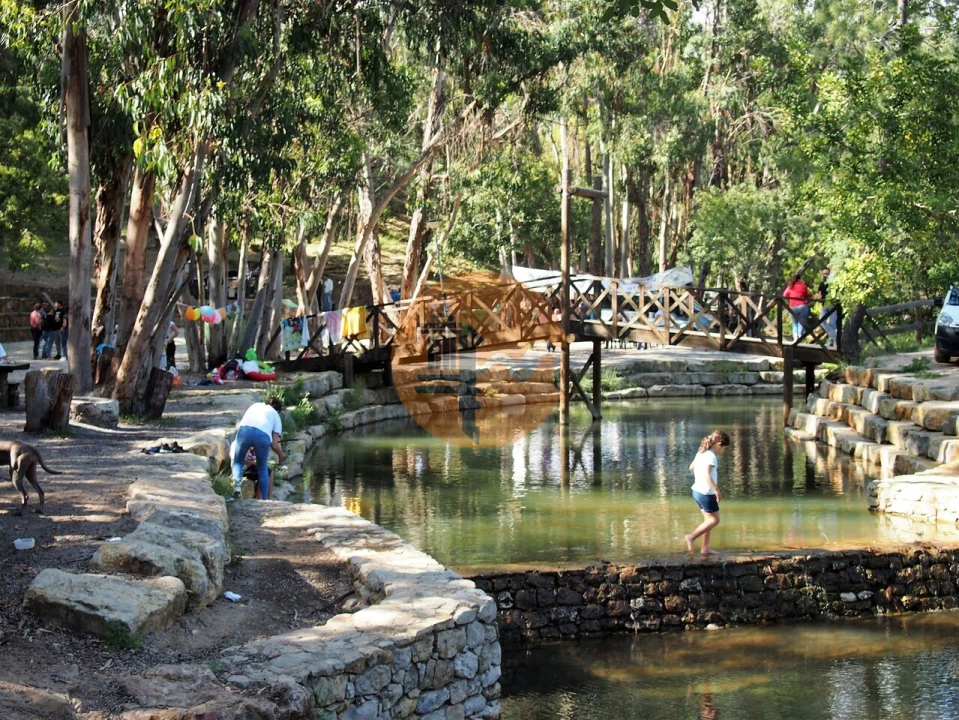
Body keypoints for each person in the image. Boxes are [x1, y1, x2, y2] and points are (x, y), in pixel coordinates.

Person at [684, 429, 730, 556]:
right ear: (719, 444)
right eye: (724, 448)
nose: (723, 451)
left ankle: (705, 548)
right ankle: (691, 537)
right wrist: (716, 490)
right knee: (715, 520)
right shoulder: (711, 456)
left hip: (697, 491)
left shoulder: (702, 452)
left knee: (707, 520)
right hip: (706, 493)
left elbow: (691, 468)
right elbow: (707, 475)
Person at [231, 398, 286, 501]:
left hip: (244, 432)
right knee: (262, 468)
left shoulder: (255, 405)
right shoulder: (276, 415)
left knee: (238, 461)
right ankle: (264, 500)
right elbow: (274, 445)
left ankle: (236, 491)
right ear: (278, 410)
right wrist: (280, 454)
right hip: (262, 436)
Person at [783, 274, 811, 342]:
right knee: (801, 322)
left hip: (793, 307)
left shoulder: (790, 286)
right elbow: (808, 295)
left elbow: (784, 295)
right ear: (799, 279)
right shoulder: (803, 286)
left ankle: (795, 338)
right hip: (802, 306)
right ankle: (800, 336)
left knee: (794, 323)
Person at [818, 267, 837, 345]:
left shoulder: (833, 283)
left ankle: (831, 342)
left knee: (832, 323)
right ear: (822, 274)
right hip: (825, 305)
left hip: (832, 305)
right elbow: (819, 296)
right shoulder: (822, 284)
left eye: (827, 273)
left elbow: (819, 296)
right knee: (822, 321)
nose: (825, 275)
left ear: (829, 274)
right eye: (824, 273)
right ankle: (835, 337)